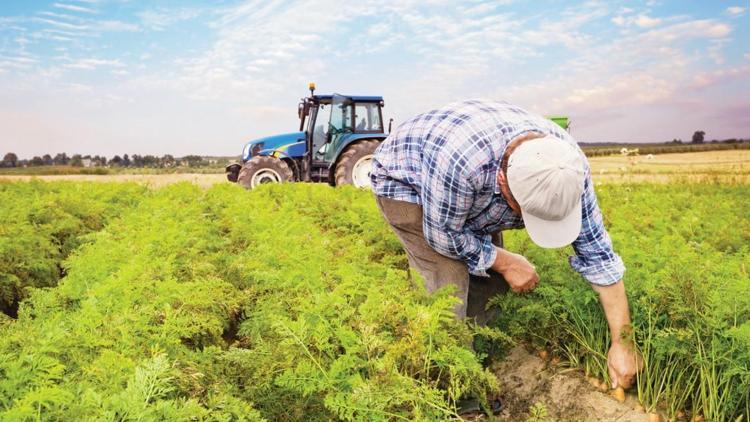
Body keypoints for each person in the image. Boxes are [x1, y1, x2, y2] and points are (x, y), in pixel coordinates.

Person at [370, 99, 642, 401]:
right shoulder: (461, 164)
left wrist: (623, 342)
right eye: (525, 213)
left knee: (491, 281)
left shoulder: (567, 168)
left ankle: (477, 352)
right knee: (446, 285)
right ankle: (453, 389)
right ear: (503, 182)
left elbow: (599, 257)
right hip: (409, 183)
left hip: (468, 188)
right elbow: (443, 236)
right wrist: (505, 260)